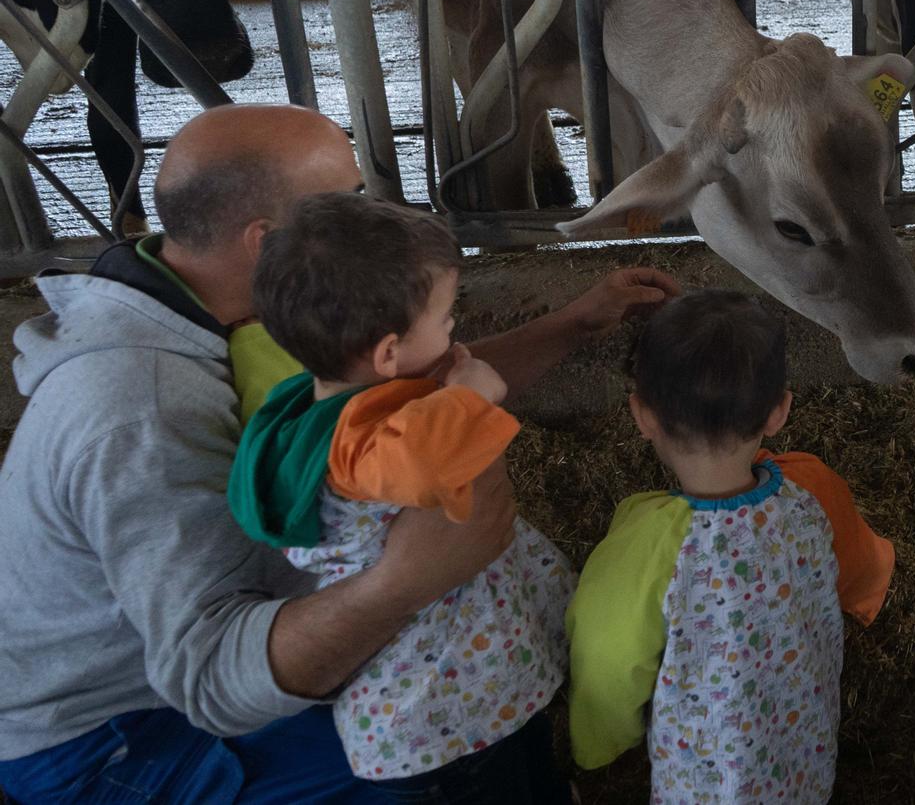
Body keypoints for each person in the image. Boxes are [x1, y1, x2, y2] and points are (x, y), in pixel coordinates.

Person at [0, 104, 674, 804]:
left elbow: (386, 399)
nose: (376, 212)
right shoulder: (146, 414)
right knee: (433, 747)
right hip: (111, 732)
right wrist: (403, 581)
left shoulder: (218, 308)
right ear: (267, 244)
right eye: (349, 201)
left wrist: (570, 324)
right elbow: (208, 678)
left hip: (191, 654)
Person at [229, 193, 576, 801]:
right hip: (440, 717)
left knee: (527, 761)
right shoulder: (369, 450)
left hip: (465, 694)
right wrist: (471, 394)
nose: (454, 331)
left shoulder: (309, 407)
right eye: (446, 319)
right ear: (388, 353)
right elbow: (419, 459)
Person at [566, 290, 896, 804]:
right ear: (779, 411)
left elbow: (607, 660)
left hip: (702, 783)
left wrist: (598, 745)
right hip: (801, 759)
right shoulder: (813, 490)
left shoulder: (646, 542)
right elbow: (857, 566)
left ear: (641, 415)